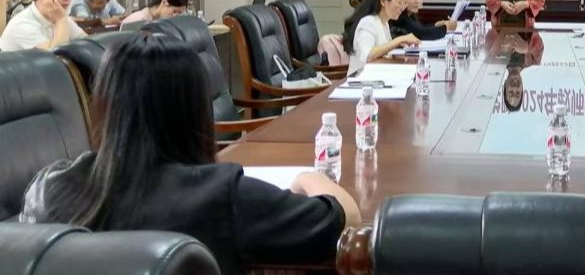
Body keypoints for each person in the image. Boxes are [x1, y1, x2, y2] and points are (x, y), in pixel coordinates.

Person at [19, 34, 360, 275]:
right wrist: (309, 177)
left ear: (104, 105)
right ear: (194, 108)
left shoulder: (49, 188)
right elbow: (345, 222)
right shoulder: (225, 193)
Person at [0, 0, 87, 51]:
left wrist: (62, 20)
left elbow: (89, 43)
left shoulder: (58, 15)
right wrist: (61, 20)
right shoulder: (22, 23)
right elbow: (57, 57)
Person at [343, 0, 420, 72]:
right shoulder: (368, 22)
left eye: (404, 4)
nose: (403, 8)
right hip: (363, 78)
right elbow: (367, 55)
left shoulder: (384, 23)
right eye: (400, 3)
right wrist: (399, 40)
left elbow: (383, 54)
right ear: (383, 1)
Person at [391, 0, 456, 41]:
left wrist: (437, 25)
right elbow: (421, 34)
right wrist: (446, 27)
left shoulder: (411, 15)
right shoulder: (399, 17)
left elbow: (421, 28)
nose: (417, 1)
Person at [119, 0, 189, 29]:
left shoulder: (158, 20)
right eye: (175, 11)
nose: (175, 16)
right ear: (164, 2)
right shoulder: (137, 20)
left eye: (179, 14)